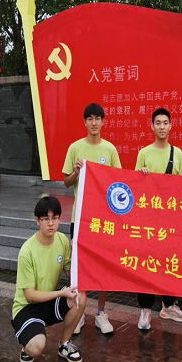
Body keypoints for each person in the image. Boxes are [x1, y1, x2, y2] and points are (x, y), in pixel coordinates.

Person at [63, 103, 121, 335]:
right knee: (78, 266)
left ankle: (101, 312)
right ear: (85, 122)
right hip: (80, 219)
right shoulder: (75, 148)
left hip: (103, 220)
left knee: (103, 266)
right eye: (90, 119)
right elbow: (66, 182)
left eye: (98, 118)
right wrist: (76, 173)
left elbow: (118, 182)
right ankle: (79, 312)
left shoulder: (110, 149)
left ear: (103, 122)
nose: (94, 123)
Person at [11, 196, 87, 362]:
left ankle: (64, 343)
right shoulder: (27, 251)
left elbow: (71, 275)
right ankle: (26, 342)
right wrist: (60, 293)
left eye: (55, 218)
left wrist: (77, 253)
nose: (51, 223)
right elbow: (30, 296)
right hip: (26, 308)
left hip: (49, 301)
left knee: (79, 296)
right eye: (46, 219)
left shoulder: (62, 240)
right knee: (36, 348)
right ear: (37, 220)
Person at [135, 108, 182, 330]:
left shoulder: (178, 153)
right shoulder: (144, 153)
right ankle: (145, 310)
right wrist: (141, 176)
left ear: (170, 125)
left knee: (170, 261)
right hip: (149, 219)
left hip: (170, 220)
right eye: (157, 123)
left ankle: (168, 305)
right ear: (152, 126)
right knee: (146, 263)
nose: (161, 126)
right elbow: (135, 187)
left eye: (165, 122)